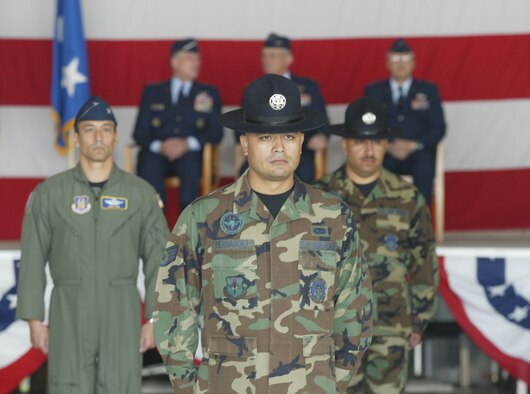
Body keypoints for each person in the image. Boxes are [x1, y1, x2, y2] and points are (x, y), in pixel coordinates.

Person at [153, 74, 373, 393]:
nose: (279, 148)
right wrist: (189, 385)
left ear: (300, 142)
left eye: (289, 136)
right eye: (266, 138)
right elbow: (173, 303)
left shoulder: (334, 216)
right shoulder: (204, 216)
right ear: (244, 143)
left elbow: (355, 308)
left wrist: (333, 383)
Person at [16, 96, 169, 393]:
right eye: (89, 129)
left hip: (121, 309)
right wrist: (35, 319)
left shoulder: (140, 194)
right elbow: (32, 257)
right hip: (69, 309)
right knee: (67, 384)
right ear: (75, 138)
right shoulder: (49, 194)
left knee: (120, 384)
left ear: (115, 137)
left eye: (105, 129)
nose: (98, 137)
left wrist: (154, 318)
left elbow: (160, 261)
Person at [314, 98, 439, 393]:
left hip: (392, 326)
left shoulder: (408, 197)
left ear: (386, 144)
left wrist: (418, 320)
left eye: (377, 141)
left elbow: (424, 262)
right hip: (334, 328)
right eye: (359, 141)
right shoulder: (320, 197)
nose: (369, 150)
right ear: (344, 145)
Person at [133, 38, 223, 211]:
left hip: (191, 155)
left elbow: (215, 133)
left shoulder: (208, 94)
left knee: (190, 166)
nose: (196, 63)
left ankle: (188, 231)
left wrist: (186, 143)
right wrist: (161, 146)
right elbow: (139, 132)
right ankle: (154, 230)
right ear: (175, 62)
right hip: (156, 153)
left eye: (198, 59)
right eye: (190, 58)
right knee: (150, 167)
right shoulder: (153, 92)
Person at [235, 33, 329, 183]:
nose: (267, 60)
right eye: (264, 56)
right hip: (262, 152)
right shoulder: (253, 90)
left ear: (288, 59)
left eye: (273, 55)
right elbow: (240, 126)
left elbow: (323, 123)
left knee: (305, 178)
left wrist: (321, 137)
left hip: (300, 153)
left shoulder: (308, 87)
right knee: (245, 178)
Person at [364, 38, 446, 203]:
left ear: (413, 62)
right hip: (385, 153)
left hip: (417, 153)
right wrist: (385, 145)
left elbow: (438, 128)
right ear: (387, 63)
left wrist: (413, 145)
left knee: (425, 166)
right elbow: (366, 125)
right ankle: (378, 224)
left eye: (405, 59)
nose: (400, 64)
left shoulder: (428, 91)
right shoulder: (374, 91)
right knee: (367, 167)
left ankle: (417, 222)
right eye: (395, 59)